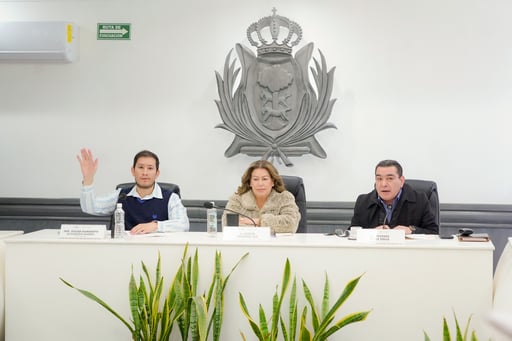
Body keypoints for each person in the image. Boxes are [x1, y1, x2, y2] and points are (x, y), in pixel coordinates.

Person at [77, 148, 189, 234]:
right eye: (140, 167)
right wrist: (88, 179)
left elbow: (183, 224)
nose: (145, 173)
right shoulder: (122, 196)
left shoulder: (170, 198)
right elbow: (90, 207)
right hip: (126, 252)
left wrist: (155, 226)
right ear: (133, 171)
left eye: (150, 168)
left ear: (157, 173)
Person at [350, 159, 438, 234]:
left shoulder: (420, 200)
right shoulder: (363, 202)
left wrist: (411, 230)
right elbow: (352, 234)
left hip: (408, 252)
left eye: (390, 178)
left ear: (401, 181)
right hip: (374, 253)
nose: (383, 184)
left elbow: (433, 232)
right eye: (379, 179)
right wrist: (371, 233)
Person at [222, 160, 300, 234]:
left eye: (264, 179)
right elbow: (227, 224)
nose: (260, 183)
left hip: (276, 245)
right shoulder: (237, 198)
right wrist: (271, 227)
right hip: (246, 245)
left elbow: (291, 224)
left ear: (272, 181)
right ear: (250, 182)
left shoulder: (284, 197)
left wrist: (258, 221)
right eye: (255, 179)